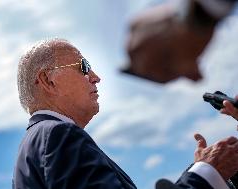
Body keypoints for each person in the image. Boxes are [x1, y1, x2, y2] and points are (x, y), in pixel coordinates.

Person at [13, 38, 238, 189]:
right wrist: (206, 173)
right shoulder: (57, 135)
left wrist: (207, 170)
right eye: (83, 66)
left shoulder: (40, 144)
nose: (95, 76)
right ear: (47, 81)